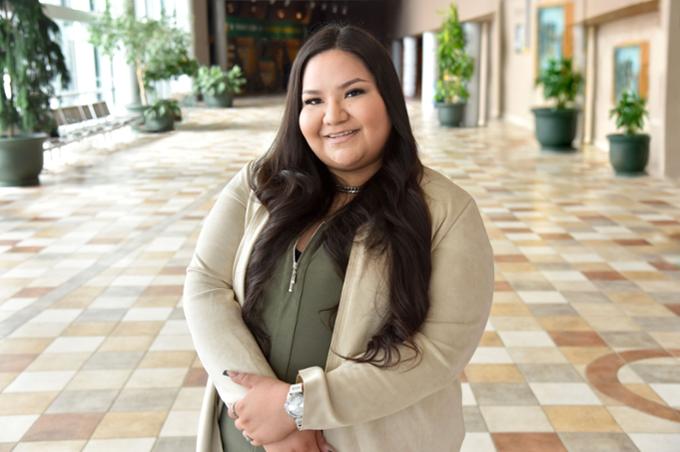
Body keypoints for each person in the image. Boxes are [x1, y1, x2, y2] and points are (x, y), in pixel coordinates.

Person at [183, 24, 494, 452]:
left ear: (389, 99)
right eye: (313, 100)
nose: (333, 115)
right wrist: (264, 416)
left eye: (353, 93)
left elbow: (440, 351)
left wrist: (298, 407)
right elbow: (204, 285)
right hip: (250, 436)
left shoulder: (446, 210)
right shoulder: (260, 184)